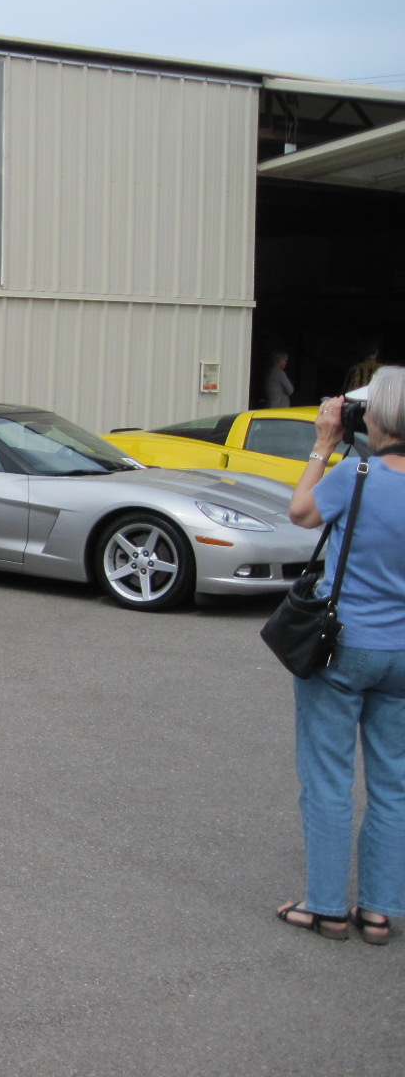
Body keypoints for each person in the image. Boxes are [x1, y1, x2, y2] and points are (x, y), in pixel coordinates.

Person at [277, 366, 405, 944]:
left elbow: (301, 513)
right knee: (394, 782)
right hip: (401, 654)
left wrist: (323, 445)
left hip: (343, 645)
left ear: (374, 418)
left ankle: (326, 907)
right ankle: (378, 910)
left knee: (328, 778)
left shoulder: (357, 475)